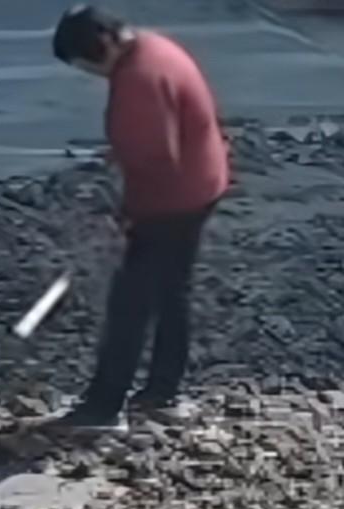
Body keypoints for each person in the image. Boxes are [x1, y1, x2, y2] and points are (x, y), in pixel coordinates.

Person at [50, 5, 230, 430]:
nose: (94, 74)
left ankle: (103, 409)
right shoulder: (154, 47)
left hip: (174, 199)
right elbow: (158, 135)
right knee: (171, 292)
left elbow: (156, 162)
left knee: (129, 304)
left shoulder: (139, 78)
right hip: (202, 184)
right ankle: (162, 394)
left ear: (105, 44)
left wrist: (133, 217)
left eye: (88, 64)